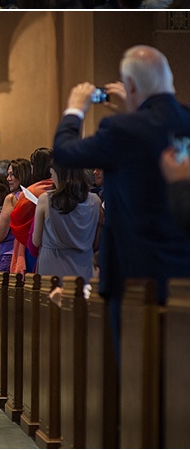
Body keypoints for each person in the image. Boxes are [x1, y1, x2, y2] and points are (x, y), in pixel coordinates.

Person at [52, 45, 189, 357]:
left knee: (135, 372)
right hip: (185, 269)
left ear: (130, 86)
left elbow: (65, 153)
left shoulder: (121, 129)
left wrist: (75, 110)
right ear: (168, 79)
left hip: (133, 272)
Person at [31, 161, 102, 283]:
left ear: (59, 175)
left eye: (52, 174)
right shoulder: (95, 201)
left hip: (51, 266)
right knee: (79, 298)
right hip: (84, 265)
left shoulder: (45, 200)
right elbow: (96, 242)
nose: (51, 178)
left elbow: (36, 241)